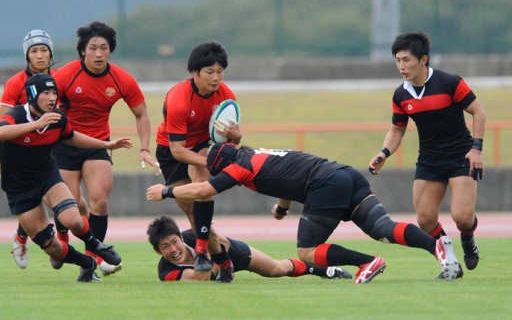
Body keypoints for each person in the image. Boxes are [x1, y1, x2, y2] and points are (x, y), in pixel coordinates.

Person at [147, 143, 464, 284]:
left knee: (307, 251)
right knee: (384, 226)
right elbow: (286, 179)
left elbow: (203, 190)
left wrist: (167, 191)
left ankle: (366, 262)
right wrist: (283, 208)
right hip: (345, 174)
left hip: (324, 185)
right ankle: (437, 245)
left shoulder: (239, 168)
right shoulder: (259, 154)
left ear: (223, 166)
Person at [367, 32, 486, 278]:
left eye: (407, 60)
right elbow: (397, 129)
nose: (402, 66)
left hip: (460, 156)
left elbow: (479, 112)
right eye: (398, 60)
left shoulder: (449, 82)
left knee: (462, 218)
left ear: (423, 59)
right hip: (430, 160)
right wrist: (383, 152)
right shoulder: (401, 94)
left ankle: (468, 239)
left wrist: (476, 149)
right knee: (425, 220)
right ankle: (450, 262)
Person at [0, 73, 129, 282]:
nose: (52, 98)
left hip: (46, 176)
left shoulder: (57, 118)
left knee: (73, 220)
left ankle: (95, 245)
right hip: (18, 188)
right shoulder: (17, 115)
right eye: (46, 93)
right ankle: (88, 264)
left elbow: (72, 137)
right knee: (53, 249)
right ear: (32, 95)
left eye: (54, 93)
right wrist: (36, 125)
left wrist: (105, 144)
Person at [53, 21, 159, 277]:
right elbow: (47, 110)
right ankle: (62, 240)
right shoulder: (65, 76)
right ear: (82, 51)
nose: (98, 53)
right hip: (64, 144)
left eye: (104, 48)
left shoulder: (121, 79)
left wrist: (144, 148)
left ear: (110, 50)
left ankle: (89, 263)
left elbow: (141, 114)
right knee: (70, 205)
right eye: (92, 48)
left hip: (98, 144)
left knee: (98, 201)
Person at [154, 40, 241, 281]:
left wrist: (236, 139)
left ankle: (201, 252)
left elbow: (227, 142)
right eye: (209, 72)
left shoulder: (226, 97)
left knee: (202, 186)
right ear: (195, 72)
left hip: (203, 146)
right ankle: (223, 263)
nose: (216, 78)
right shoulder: (178, 98)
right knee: (193, 211)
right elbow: (178, 151)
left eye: (220, 71)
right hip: (172, 152)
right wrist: (212, 163)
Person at [0, 29, 60, 270]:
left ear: (51, 53)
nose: (40, 55)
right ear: (27, 55)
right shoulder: (15, 83)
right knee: (39, 198)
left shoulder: (58, 79)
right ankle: (24, 237)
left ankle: (78, 247)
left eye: (44, 49)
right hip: (24, 151)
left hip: (52, 145)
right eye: (34, 51)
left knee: (69, 203)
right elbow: (2, 123)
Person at [146, 215, 352, 282]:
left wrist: (223, 266)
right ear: (158, 251)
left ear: (181, 237)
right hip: (217, 268)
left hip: (234, 252)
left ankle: (328, 271)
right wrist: (220, 271)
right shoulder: (166, 271)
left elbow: (223, 243)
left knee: (277, 270)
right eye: (165, 247)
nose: (173, 249)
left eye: (174, 242)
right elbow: (200, 278)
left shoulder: (194, 235)